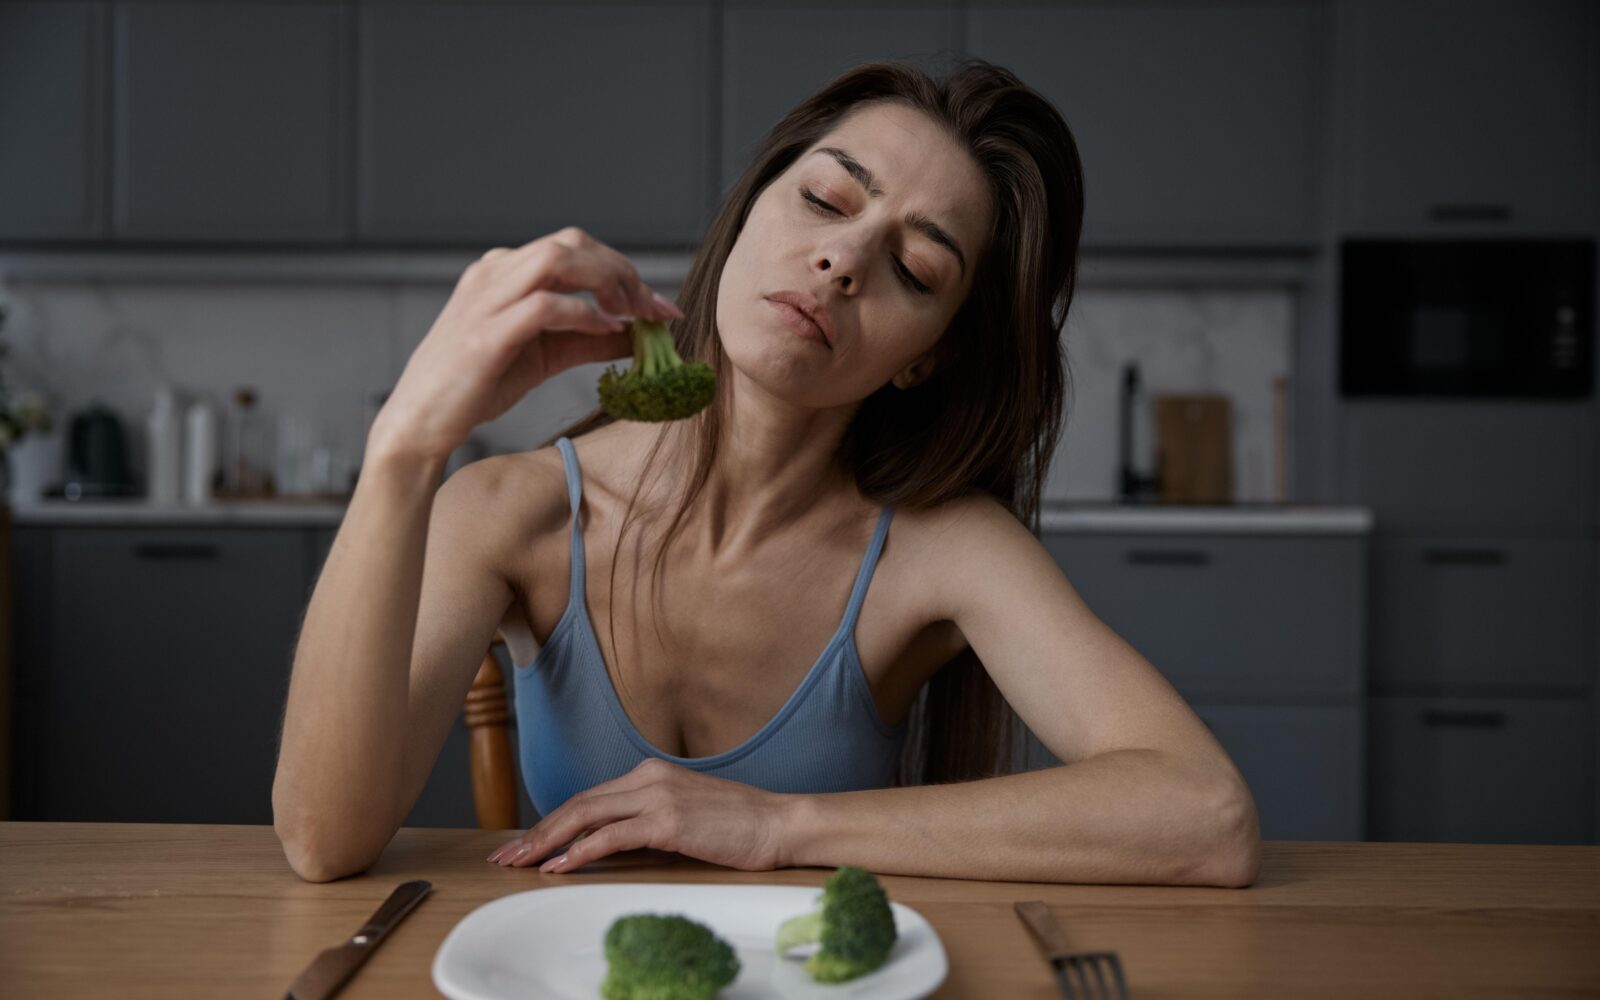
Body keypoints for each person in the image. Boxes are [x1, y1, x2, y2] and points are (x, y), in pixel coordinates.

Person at [272, 59, 1261, 888]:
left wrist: (780, 825)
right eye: (824, 199)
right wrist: (405, 449)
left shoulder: (941, 550)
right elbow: (322, 840)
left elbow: (1205, 813)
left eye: (916, 269)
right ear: (748, 209)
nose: (843, 259)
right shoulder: (512, 509)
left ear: (926, 357)